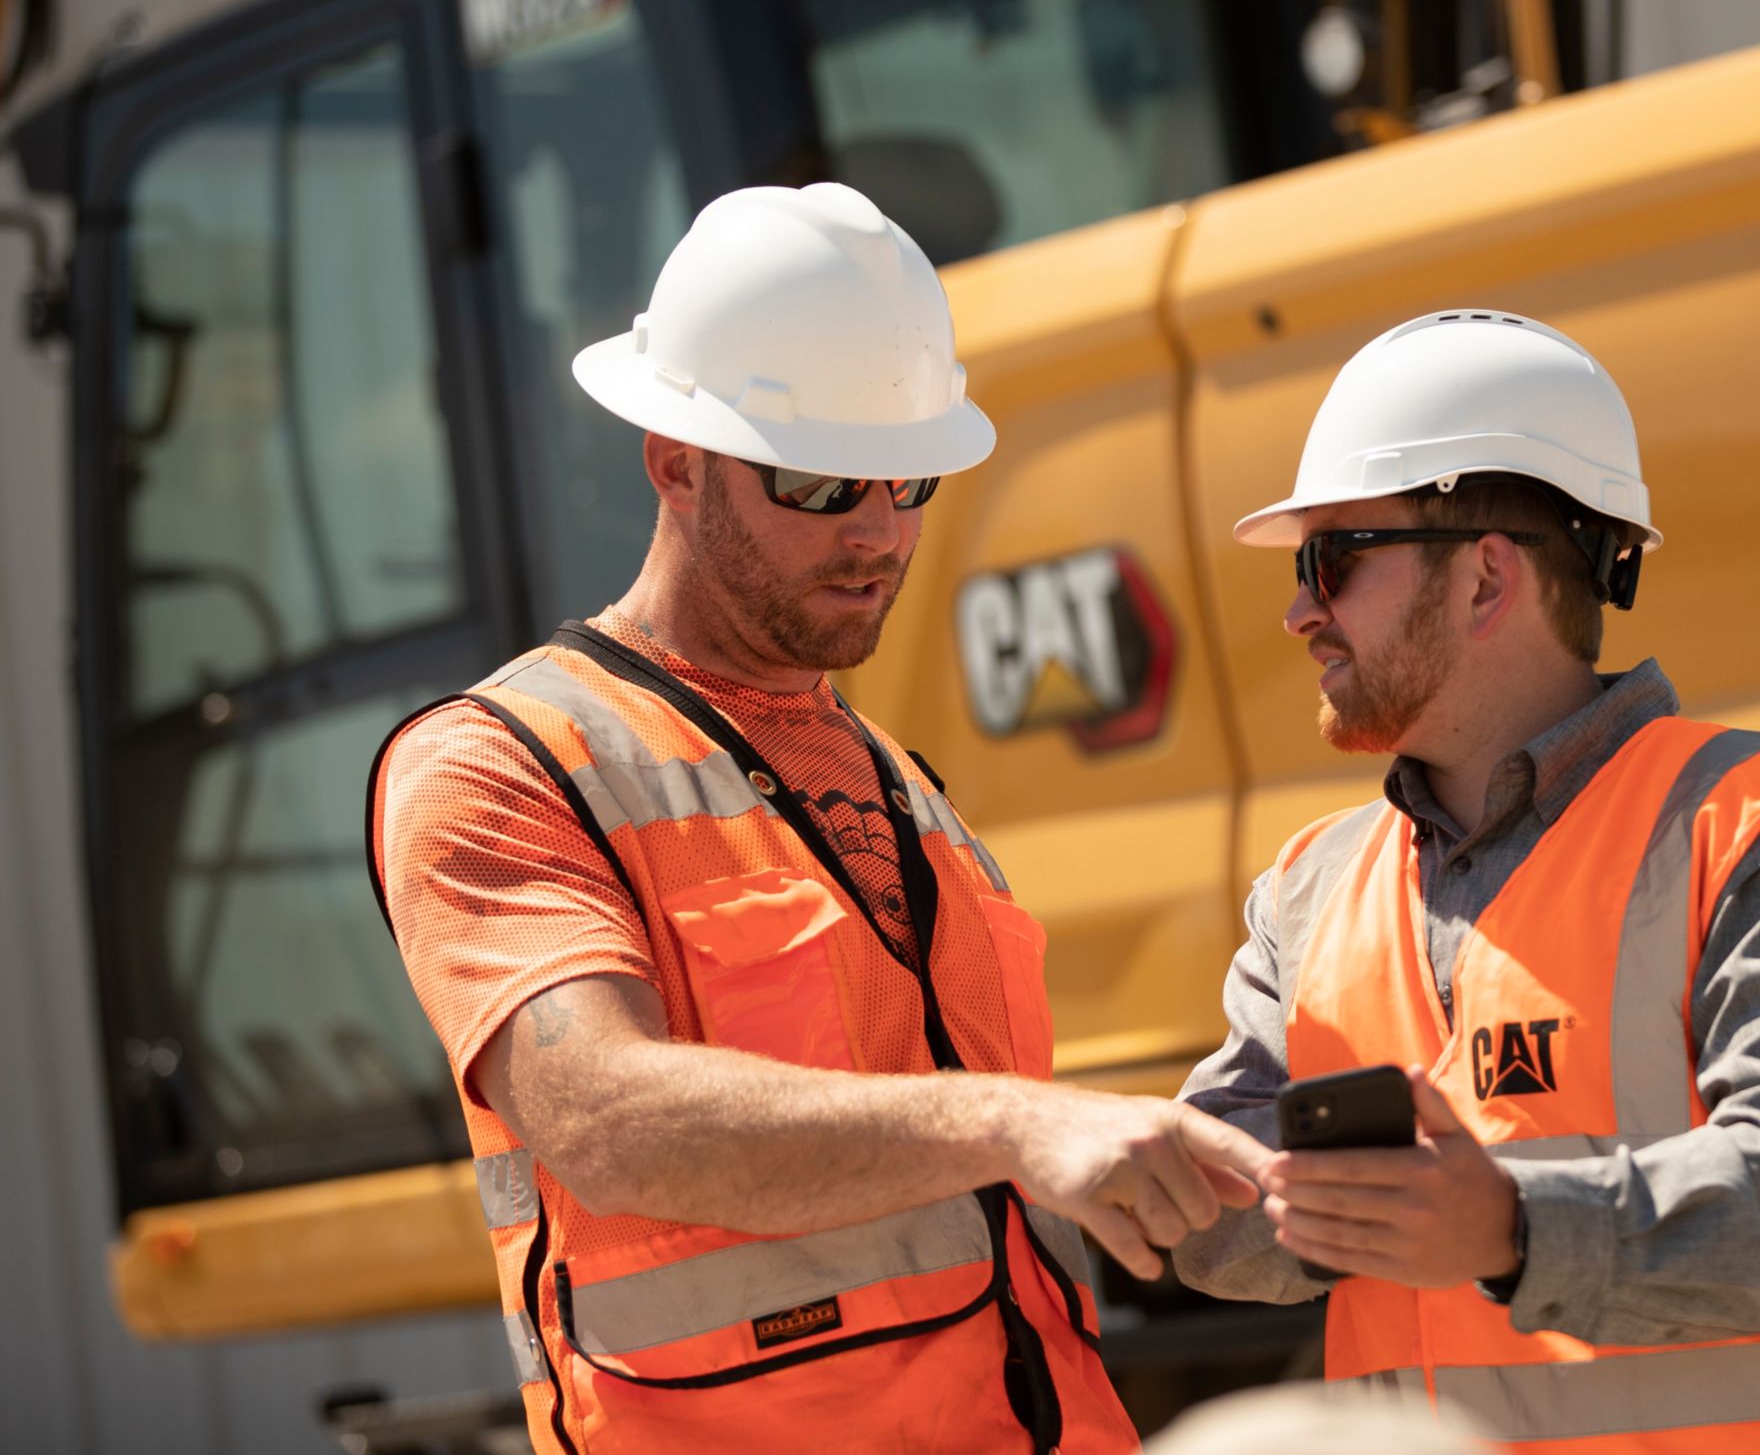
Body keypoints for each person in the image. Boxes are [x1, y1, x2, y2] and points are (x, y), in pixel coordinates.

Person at [367, 183, 1266, 1455]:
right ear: (675, 462)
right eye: (822, 482)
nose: (880, 532)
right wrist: (1020, 1123)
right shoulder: (503, 763)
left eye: (909, 478)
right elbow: (604, 1119)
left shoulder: (904, 784)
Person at [1171, 310, 1760, 1450]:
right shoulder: (1306, 893)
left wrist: (1510, 1226)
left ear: (1487, 579)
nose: (1300, 610)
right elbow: (1213, 1228)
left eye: (1332, 559)